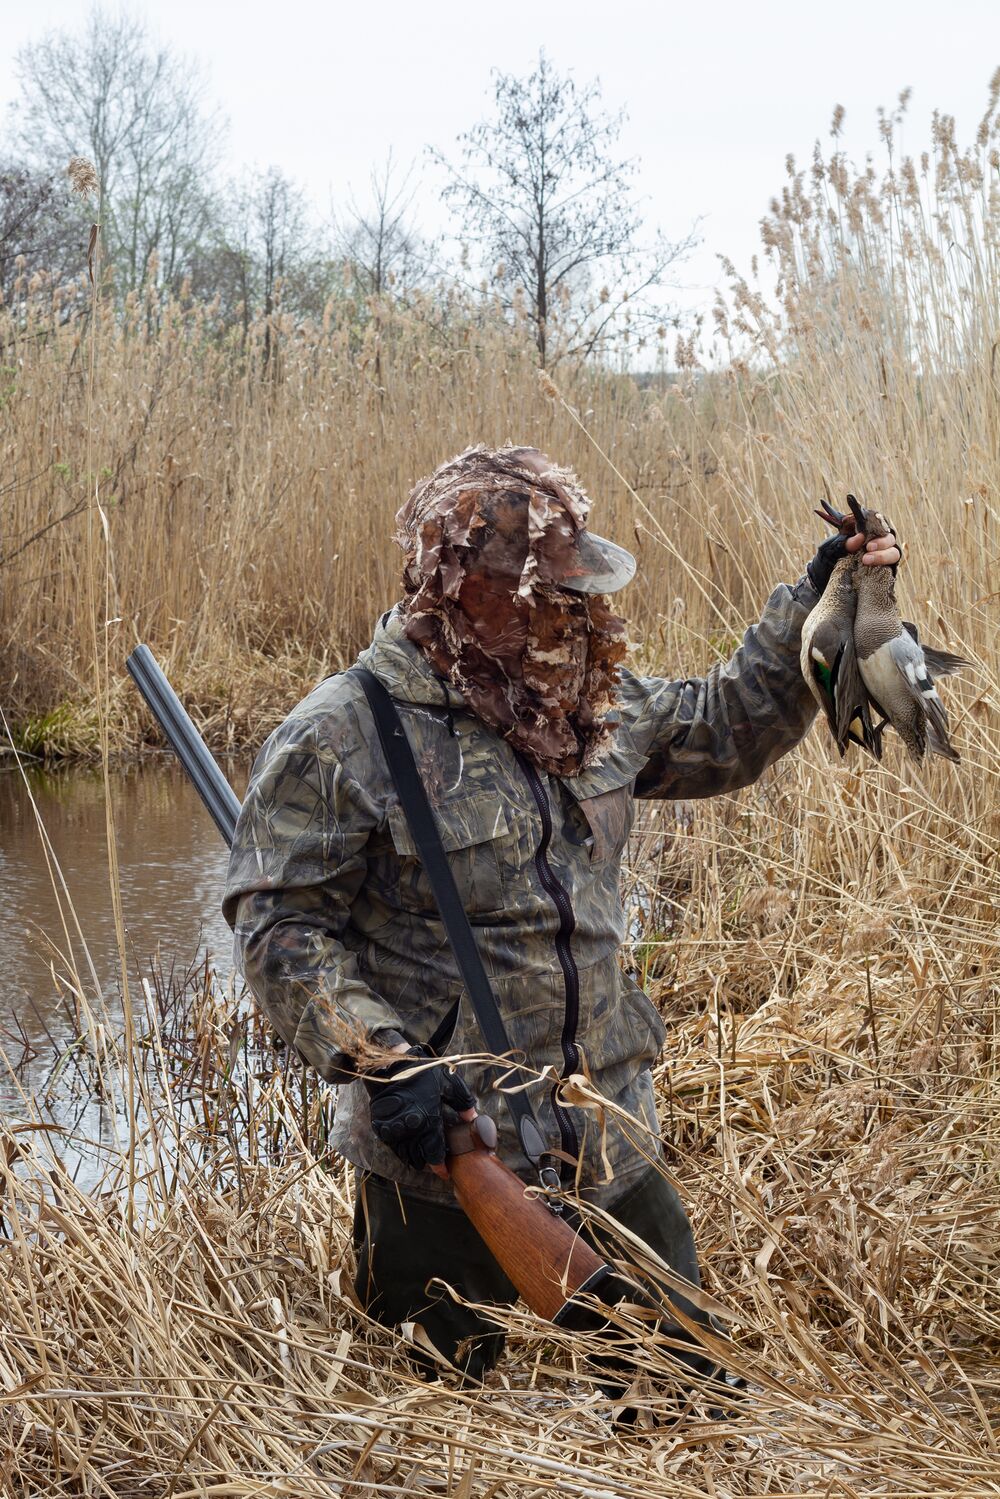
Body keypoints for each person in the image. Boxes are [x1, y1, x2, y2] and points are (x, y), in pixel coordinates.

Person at [223, 445, 900, 1383]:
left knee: (684, 1399)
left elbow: (727, 725)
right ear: (463, 593)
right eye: (550, 595)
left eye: (582, 593)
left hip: (610, 1128)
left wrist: (814, 600)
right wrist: (384, 1061)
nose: (581, 616)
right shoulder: (343, 732)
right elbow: (278, 924)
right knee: (438, 1430)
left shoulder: (591, 702)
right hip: (447, 1163)